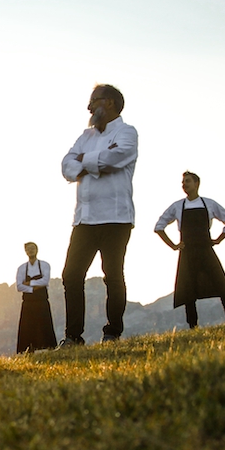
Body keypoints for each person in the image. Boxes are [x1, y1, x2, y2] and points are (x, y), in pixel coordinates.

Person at [60, 84, 138, 345]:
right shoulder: (85, 136)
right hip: (85, 218)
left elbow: (115, 158)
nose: (89, 107)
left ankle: (112, 332)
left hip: (116, 218)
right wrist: (88, 161)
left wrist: (83, 162)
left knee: (113, 275)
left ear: (110, 104)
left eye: (94, 101)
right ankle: (73, 337)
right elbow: (66, 165)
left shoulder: (127, 132)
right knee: (71, 275)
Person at [155, 172, 225, 329]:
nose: (184, 184)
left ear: (197, 184)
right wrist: (173, 245)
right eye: (182, 182)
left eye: (187, 181)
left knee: (221, 284)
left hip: (206, 249)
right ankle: (193, 326)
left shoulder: (210, 204)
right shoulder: (178, 206)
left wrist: (219, 239)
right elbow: (159, 226)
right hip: (187, 252)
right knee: (188, 290)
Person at [16, 242, 57, 353]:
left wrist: (29, 283)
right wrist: (33, 289)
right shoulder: (22, 268)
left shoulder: (45, 265)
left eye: (32, 248)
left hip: (42, 300)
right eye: (28, 249)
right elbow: (19, 286)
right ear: (25, 252)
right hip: (28, 303)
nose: (31, 250)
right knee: (28, 327)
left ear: (37, 249)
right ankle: (28, 351)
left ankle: (49, 349)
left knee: (44, 325)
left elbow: (45, 281)